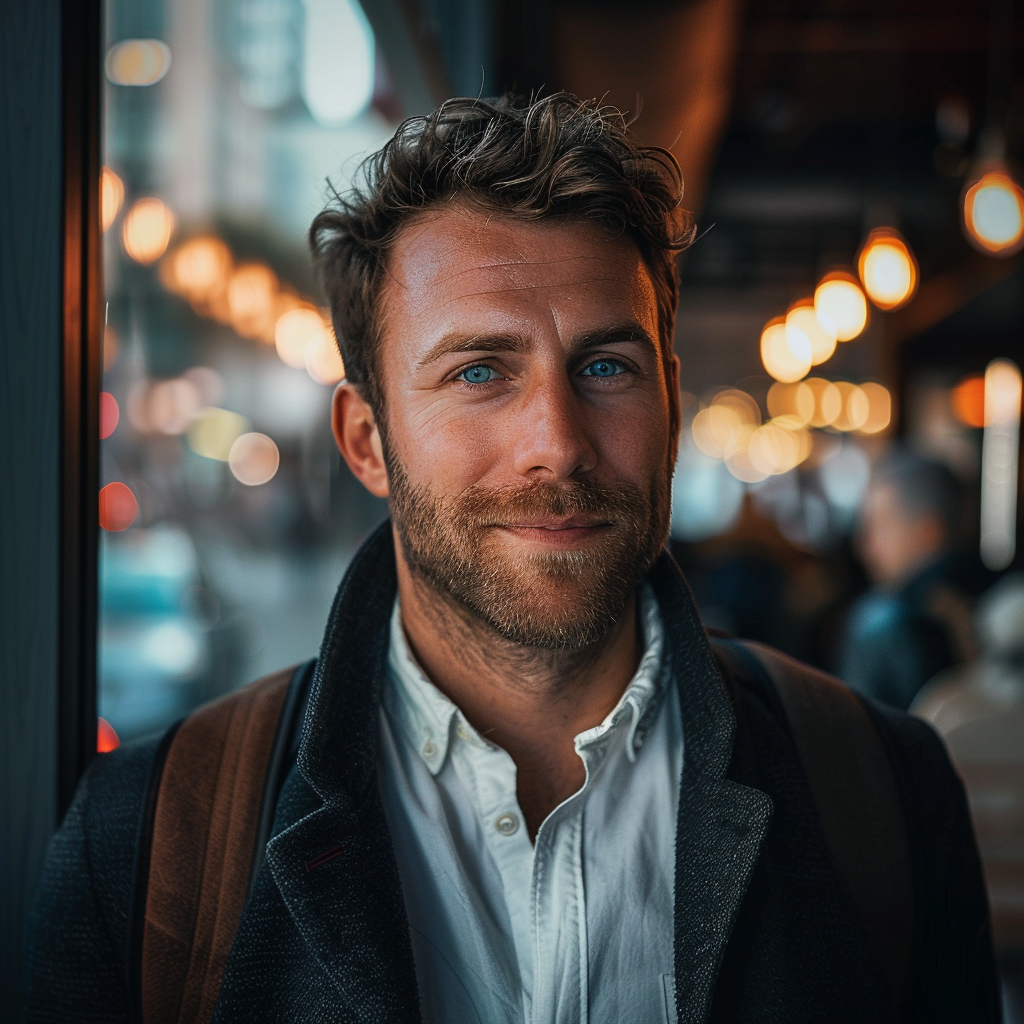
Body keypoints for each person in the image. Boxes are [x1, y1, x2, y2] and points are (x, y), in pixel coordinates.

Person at [27, 94, 999, 1023]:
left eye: (605, 367)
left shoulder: (881, 792)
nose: (558, 442)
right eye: (480, 372)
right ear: (367, 440)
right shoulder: (145, 844)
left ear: (668, 405)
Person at [839, 448, 973, 710]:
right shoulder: (1002, 600)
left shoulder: (877, 623)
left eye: (880, 526)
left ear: (929, 531)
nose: (866, 547)